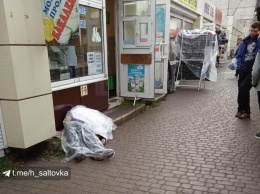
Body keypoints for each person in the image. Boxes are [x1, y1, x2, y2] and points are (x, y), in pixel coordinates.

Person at [235, 22, 260, 119]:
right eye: (251, 30)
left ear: (258, 32)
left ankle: (247, 111)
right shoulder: (245, 41)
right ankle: (240, 109)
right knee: (241, 90)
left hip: (252, 70)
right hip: (243, 69)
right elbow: (239, 54)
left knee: (243, 88)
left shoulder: (258, 41)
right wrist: (239, 66)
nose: (252, 33)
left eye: (255, 31)